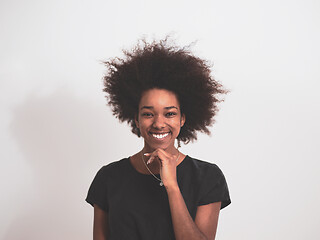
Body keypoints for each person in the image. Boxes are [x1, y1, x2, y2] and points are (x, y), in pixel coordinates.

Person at [86, 38, 231, 240]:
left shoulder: (207, 178)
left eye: (170, 114)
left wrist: (172, 186)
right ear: (136, 119)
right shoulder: (109, 178)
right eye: (148, 114)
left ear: (182, 119)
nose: (159, 123)